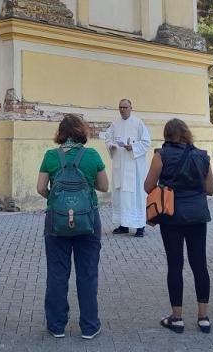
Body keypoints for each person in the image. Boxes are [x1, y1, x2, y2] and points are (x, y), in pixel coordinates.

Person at [37, 115, 109, 340]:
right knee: (87, 273)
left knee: (57, 273)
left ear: (61, 133)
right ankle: (89, 326)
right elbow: (104, 186)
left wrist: (55, 201)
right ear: (81, 132)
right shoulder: (92, 155)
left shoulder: (50, 156)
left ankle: (56, 326)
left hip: (56, 221)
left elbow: (40, 188)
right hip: (88, 219)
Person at [144, 119, 213, 334]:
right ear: (187, 133)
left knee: (175, 265)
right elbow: (210, 189)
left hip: (171, 216)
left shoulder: (161, 155)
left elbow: (148, 186)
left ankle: (177, 318)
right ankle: (203, 318)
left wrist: (166, 187)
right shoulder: (202, 156)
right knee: (199, 264)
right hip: (197, 215)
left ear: (166, 135)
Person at [104, 99, 151, 236]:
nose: (122, 109)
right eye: (120, 107)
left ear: (131, 108)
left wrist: (133, 147)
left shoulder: (138, 123)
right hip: (120, 166)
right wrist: (111, 145)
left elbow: (146, 142)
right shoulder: (115, 124)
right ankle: (123, 225)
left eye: (125, 107)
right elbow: (108, 138)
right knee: (120, 196)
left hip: (134, 167)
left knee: (136, 196)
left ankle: (140, 226)